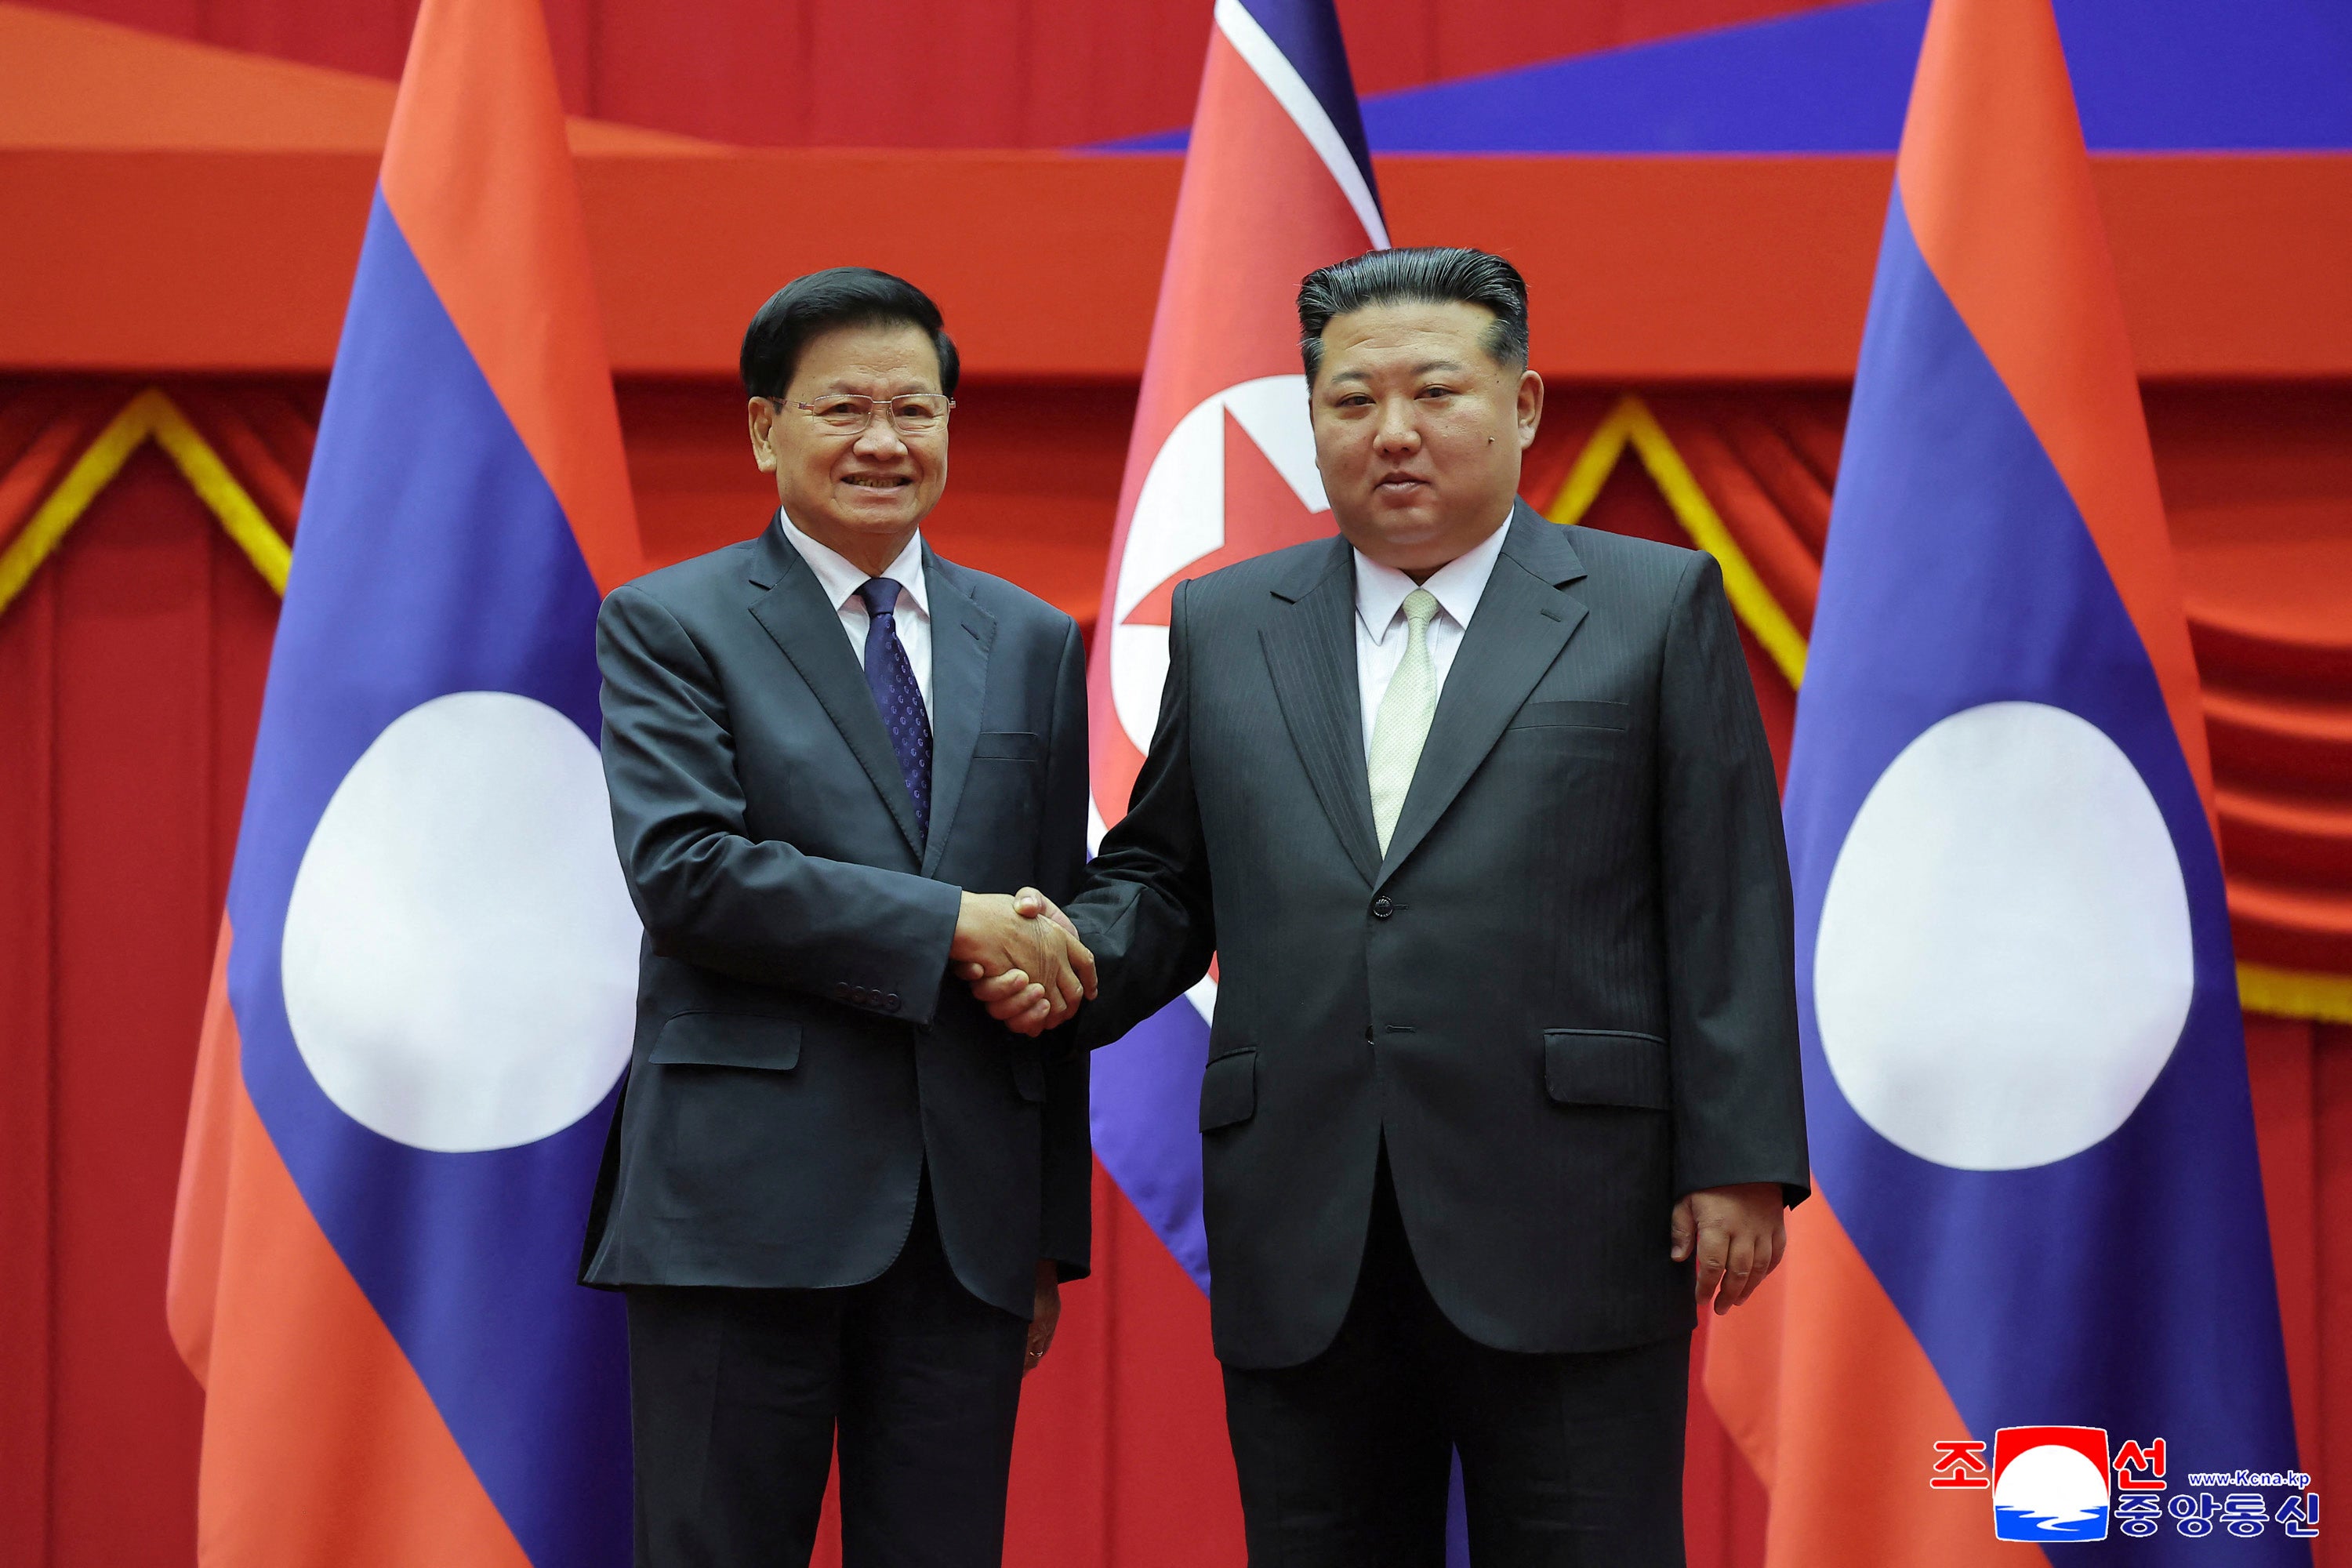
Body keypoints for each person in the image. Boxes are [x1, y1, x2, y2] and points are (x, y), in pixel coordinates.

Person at [972, 247, 1808, 1566]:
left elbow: (1724, 893)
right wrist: (1065, 955)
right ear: (1311, 421)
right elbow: (1168, 876)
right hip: (1308, 1218)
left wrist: (1737, 1157)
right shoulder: (1232, 621)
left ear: (1523, 405)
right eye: (1351, 401)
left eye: (1436, 391)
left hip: (1573, 1208)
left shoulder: (1652, 606)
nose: (1394, 432)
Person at [581, 267, 1098, 1568]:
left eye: (913, 410)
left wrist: (1043, 1231)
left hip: (963, 1229)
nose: (883, 440)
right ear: (766, 430)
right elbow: (690, 871)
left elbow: (1045, 923)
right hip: (736, 1213)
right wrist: (949, 927)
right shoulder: (671, 623)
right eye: (843, 409)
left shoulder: (1032, 639)